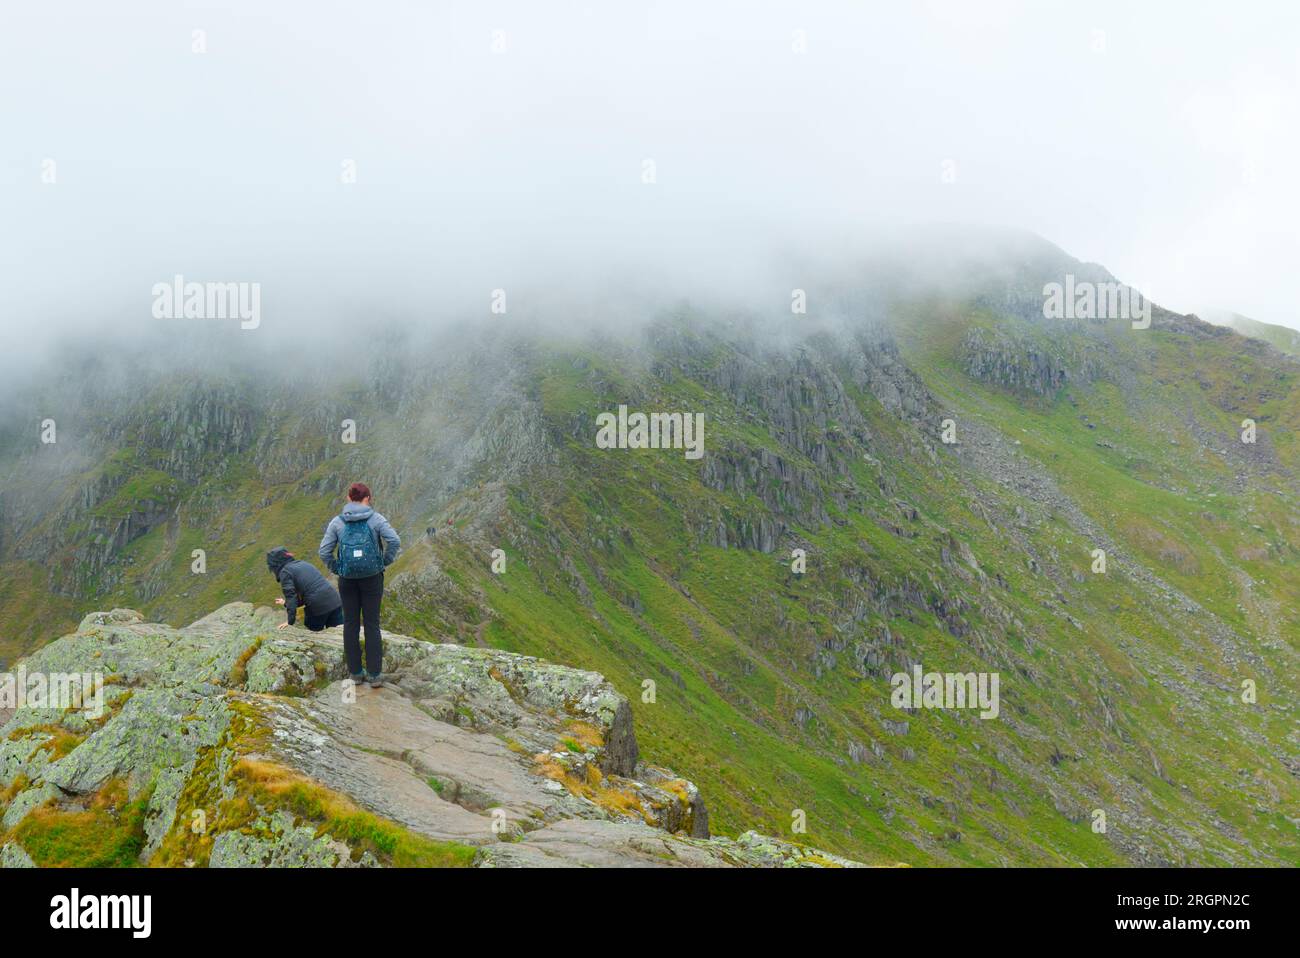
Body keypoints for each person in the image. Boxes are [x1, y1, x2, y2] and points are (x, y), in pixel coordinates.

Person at [319, 482, 401, 688]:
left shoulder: (337, 523)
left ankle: (355, 673)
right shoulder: (376, 519)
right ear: (368, 499)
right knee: (372, 624)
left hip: (347, 580)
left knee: (351, 624)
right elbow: (395, 541)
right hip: (372, 577)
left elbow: (324, 551)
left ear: (348, 498)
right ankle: (374, 675)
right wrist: (385, 561)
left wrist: (337, 568)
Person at [266, 547, 344, 632]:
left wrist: (290, 621)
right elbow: (309, 593)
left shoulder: (285, 572)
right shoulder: (302, 563)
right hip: (335, 601)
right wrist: (285, 603)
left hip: (317, 607)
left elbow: (291, 597)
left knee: (313, 633)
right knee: (339, 633)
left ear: (275, 565)